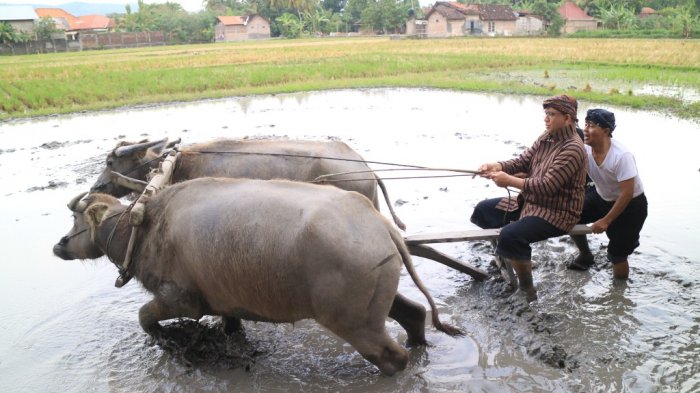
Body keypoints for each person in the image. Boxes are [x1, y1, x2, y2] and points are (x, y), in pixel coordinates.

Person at [470, 94, 587, 302]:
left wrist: (508, 181)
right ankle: (507, 256)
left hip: (557, 212)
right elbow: (523, 161)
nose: (546, 119)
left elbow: (547, 186)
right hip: (531, 202)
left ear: (568, 118)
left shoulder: (573, 148)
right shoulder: (547, 137)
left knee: (510, 235)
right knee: (482, 210)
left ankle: (526, 289)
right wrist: (497, 166)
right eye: (546, 114)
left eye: (552, 114)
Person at [567, 109, 647, 280]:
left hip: (631, 206)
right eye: (585, 125)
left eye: (592, 126)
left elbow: (626, 193)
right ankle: (585, 255)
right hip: (601, 196)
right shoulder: (584, 150)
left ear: (606, 130)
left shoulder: (621, 156)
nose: (586, 130)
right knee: (570, 216)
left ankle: (618, 295)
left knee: (617, 254)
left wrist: (606, 220)